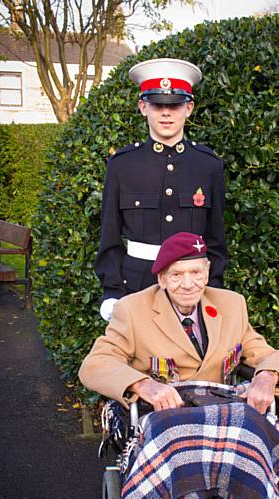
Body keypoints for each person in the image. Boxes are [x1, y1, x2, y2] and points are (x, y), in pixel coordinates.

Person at [79, 232, 279, 499]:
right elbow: (95, 365)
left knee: (251, 432)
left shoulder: (231, 305)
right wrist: (143, 384)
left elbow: (264, 352)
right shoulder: (133, 310)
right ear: (162, 278)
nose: (188, 283)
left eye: (196, 273)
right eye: (178, 274)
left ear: (207, 271)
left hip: (217, 411)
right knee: (177, 439)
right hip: (164, 415)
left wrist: (265, 376)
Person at [95, 57, 227, 321]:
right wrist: (113, 292)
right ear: (143, 107)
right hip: (136, 288)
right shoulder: (122, 165)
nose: (166, 113)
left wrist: (212, 289)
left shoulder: (208, 165)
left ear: (189, 108)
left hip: (192, 290)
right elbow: (109, 237)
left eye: (175, 105)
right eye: (157, 105)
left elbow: (215, 240)